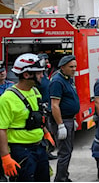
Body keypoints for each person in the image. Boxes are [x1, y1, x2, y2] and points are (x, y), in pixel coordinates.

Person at [0, 53, 54, 181]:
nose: (42, 76)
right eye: (39, 73)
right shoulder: (7, 99)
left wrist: (45, 133)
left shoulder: (34, 91)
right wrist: (5, 157)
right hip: (21, 150)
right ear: (26, 75)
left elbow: (38, 116)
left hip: (39, 146)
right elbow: (1, 129)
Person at [50, 55, 80, 182]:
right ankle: (61, 179)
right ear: (62, 67)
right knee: (64, 152)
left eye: (75, 66)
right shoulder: (57, 81)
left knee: (68, 151)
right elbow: (55, 105)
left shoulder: (67, 79)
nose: (74, 69)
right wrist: (60, 125)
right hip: (63, 121)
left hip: (69, 119)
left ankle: (64, 176)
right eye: (71, 67)